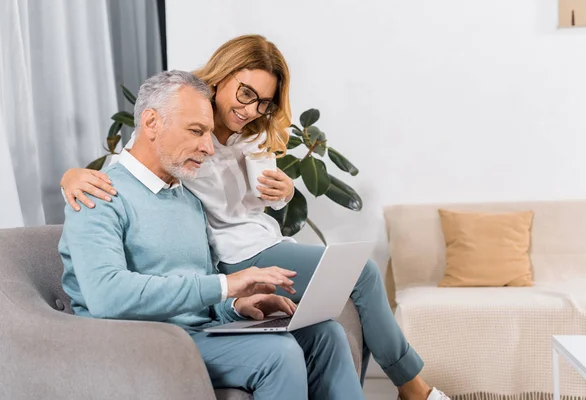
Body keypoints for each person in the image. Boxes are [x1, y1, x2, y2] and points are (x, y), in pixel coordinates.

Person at [60, 35, 449, 400]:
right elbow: (108, 295)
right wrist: (227, 287)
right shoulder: (97, 194)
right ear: (150, 123)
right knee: (281, 351)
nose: (207, 148)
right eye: (197, 132)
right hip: (153, 339)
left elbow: (197, 282)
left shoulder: (186, 196)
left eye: (207, 134)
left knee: (326, 332)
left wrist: (237, 306)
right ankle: (413, 388)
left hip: (199, 327)